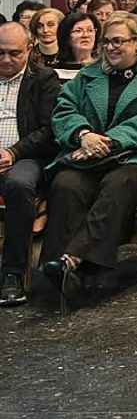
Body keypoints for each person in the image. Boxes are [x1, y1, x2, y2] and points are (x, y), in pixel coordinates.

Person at [40, 13, 137, 303]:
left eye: (119, 41)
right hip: (89, 154)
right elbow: (63, 110)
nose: (111, 47)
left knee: (118, 182)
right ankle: (65, 273)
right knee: (66, 183)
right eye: (107, 42)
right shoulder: (88, 75)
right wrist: (83, 134)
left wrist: (111, 140)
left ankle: (72, 260)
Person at [0, 22, 60, 305]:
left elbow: (48, 130)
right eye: (0, 53)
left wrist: (13, 152)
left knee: (19, 184)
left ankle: (12, 273)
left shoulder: (44, 79)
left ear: (29, 49)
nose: (6, 60)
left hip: (25, 157)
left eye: (14, 53)